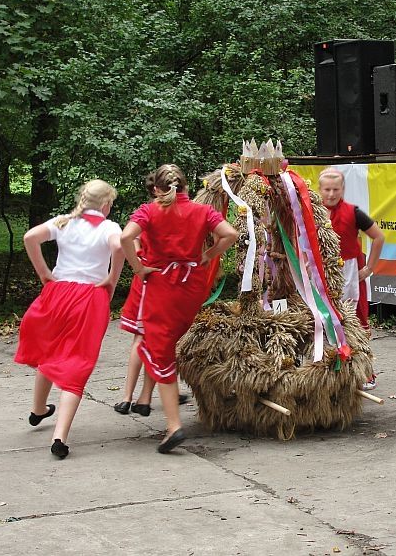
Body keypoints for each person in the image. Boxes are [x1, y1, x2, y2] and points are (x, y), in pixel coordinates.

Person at [121, 164, 237, 453]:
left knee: (160, 351)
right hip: (191, 287)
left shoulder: (149, 211)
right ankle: (151, 402)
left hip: (162, 284)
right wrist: (209, 254)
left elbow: (125, 238)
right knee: (165, 343)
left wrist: (137, 268)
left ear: (157, 189)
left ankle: (173, 427)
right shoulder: (201, 211)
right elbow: (230, 234)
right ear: (185, 187)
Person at [15, 179, 124, 458]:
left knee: (51, 351)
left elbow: (30, 238)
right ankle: (59, 437)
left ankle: (38, 409)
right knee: (77, 361)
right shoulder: (109, 227)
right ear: (106, 205)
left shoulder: (64, 222)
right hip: (89, 298)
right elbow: (119, 247)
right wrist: (111, 279)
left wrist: (44, 273)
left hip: (58, 293)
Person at [114, 172, 188, 417]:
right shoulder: (185, 211)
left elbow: (130, 238)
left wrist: (138, 263)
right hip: (172, 280)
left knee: (144, 337)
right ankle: (143, 397)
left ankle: (129, 397)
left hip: (148, 276)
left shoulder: (147, 211)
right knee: (158, 339)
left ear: (157, 189)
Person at [318, 167, 385, 390]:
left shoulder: (353, 212)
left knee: (358, 322)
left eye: (335, 189)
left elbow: (378, 237)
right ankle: (328, 370)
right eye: (326, 189)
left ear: (342, 189)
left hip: (350, 272)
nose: (330, 194)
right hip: (322, 274)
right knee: (323, 321)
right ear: (320, 190)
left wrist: (369, 268)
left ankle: (366, 373)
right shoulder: (311, 212)